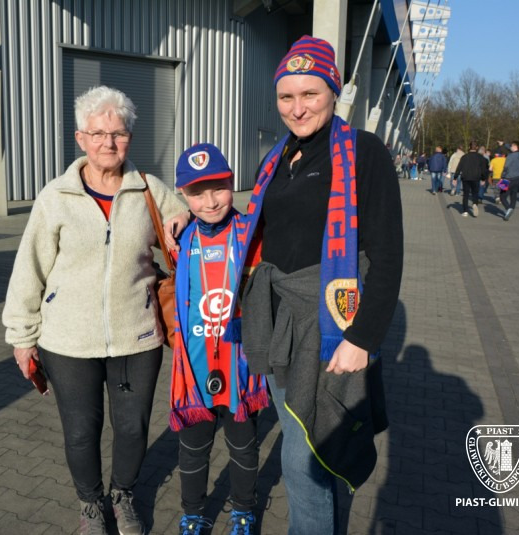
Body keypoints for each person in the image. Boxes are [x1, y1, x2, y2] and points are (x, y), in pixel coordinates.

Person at [165, 35, 402, 534]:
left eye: (310, 94)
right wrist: (191, 219)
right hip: (276, 324)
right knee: (312, 449)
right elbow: (255, 224)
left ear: (333, 91)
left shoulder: (363, 153)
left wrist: (363, 337)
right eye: (286, 96)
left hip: (328, 324)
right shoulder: (277, 159)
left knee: (303, 460)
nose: (297, 108)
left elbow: (388, 254)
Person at [2, 86, 188, 535]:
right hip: (68, 340)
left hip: (137, 336)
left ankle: (123, 496)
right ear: (81, 138)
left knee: (132, 428)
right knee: (81, 432)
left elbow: (188, 215)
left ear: (129, 138)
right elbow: (29, 267)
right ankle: (90, 504)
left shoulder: (148, 189)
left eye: (118, 133)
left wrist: (184, 217)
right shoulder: (56, 196)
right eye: (99, 133)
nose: (109, 142)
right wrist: (22, 337)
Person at [168, 143, 268, 535]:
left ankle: (243, 510)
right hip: (194, 367)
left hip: (240, 364)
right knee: (193, 448)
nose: (210, 202)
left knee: (243, 445)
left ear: (232, 183)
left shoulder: (252, 231)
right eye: (197, 193)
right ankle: (193, 513)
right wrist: (180, 216)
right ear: (182, 194)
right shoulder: (180, 238)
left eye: (219, 189)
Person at [455, 141, 489, 217]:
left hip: (466, 177)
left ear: (469, 147)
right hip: (476, 178)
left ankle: (465, 211)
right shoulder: (481, 158)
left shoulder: (464, 157)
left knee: (466, 194)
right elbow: (483, 169)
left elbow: (459, 167)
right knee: (475, 193)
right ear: (476, 148)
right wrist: (483, 179)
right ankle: (474, 204)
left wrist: (455, 177)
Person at [500, 141, 519, 221]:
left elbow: (506, 167)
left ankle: (508, 209)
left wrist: (502, 177)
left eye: (512, 145)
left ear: (515, 147)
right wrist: (504, 144)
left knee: (502, 196)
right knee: (513, 196)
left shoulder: (510, 156)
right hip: (517, 178)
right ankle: (511, 208)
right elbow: (510, 148)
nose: (510, 146)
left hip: (507, 178)